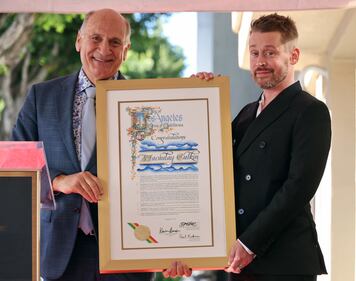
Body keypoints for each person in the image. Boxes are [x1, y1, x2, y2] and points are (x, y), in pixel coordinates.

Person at [12, 9, 154, 281]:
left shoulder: (147, 102)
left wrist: (202, 90)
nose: (104, 49)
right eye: (95, 38)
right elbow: (14, 167)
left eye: (115, 42)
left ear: (126, 50)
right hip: (58, 255)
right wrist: (59, 181)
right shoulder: (41, 97)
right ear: (79, 41)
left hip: (129, 257)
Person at [193, 13, 331, 281]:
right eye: (254, 53)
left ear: (293, 56)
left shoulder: (310, 110)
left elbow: (299, 187)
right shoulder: (245, 114)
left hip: (285, 261)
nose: (260, 62)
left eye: (270, 52)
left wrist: (249, 244)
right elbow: (211, 162)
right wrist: (200, 94)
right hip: (241, 263)